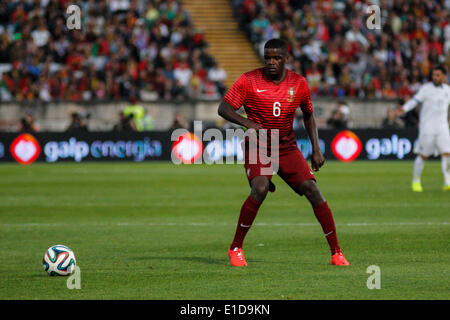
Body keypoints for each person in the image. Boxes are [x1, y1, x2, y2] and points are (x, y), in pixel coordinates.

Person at [217, 38, 349, 267]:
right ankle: (235, 248)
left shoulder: (298, 83)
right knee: (260, 188)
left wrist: (316, 149)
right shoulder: (249, 80)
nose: (271, 62)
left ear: (286, 59)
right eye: (267, 57)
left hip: (286, 146)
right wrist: (247, 123)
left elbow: (308, 114)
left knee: (313, 190)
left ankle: (336, 253)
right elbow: (224, 108)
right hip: (257, 143)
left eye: (276, 58)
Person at [398, 65, 450, 192]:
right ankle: (416, 180)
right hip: (427, 128)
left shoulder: (448, 90)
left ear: (444, 76)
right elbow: (414, 101)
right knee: (423, 155)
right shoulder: (426, 89)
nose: (435, 77)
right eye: (433, 75)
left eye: (438, 75)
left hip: (442, 127)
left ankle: (447, 181)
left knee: (447, 154)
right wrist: (404, 108)